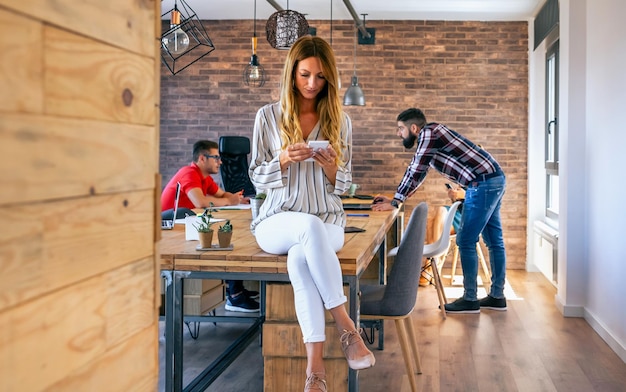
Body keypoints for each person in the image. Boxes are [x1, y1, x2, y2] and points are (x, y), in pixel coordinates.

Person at [248, 36, 375, 392]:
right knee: (306, 227)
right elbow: (256, 176)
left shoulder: (340, 121)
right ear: (292, 73)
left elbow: (345, 185)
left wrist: (333, 169)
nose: (311, 84)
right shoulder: (267, 117)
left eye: (320, 77)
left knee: (302, 257)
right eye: (305, 75)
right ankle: (347, 329)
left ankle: (314, 374)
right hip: (277, 221)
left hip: (328, 222)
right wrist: (284, 159)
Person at [372, 108, 507, 314]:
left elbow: (416, 169)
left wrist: (397, 201)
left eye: (401, 128)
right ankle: (497, 296)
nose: (399, 133)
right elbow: (418, 170)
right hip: (491, 179)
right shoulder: (431, 138)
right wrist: (395, 199)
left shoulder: (429, 133)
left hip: (482, 183)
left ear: (414, 128)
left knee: (466, 240)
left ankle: (470, 299)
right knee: (493, 241)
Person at [161, 140, 259, 313]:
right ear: (201, 158)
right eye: (216, 158)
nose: (220, 162)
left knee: (229, 229)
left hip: (188, 223)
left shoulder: (205, 178)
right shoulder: (189, 173)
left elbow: (222, 194)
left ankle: (235, 288)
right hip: (172, 229)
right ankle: (234, 295)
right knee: (227, 233)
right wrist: (230, 201)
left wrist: (237, 199)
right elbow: (200, 202)